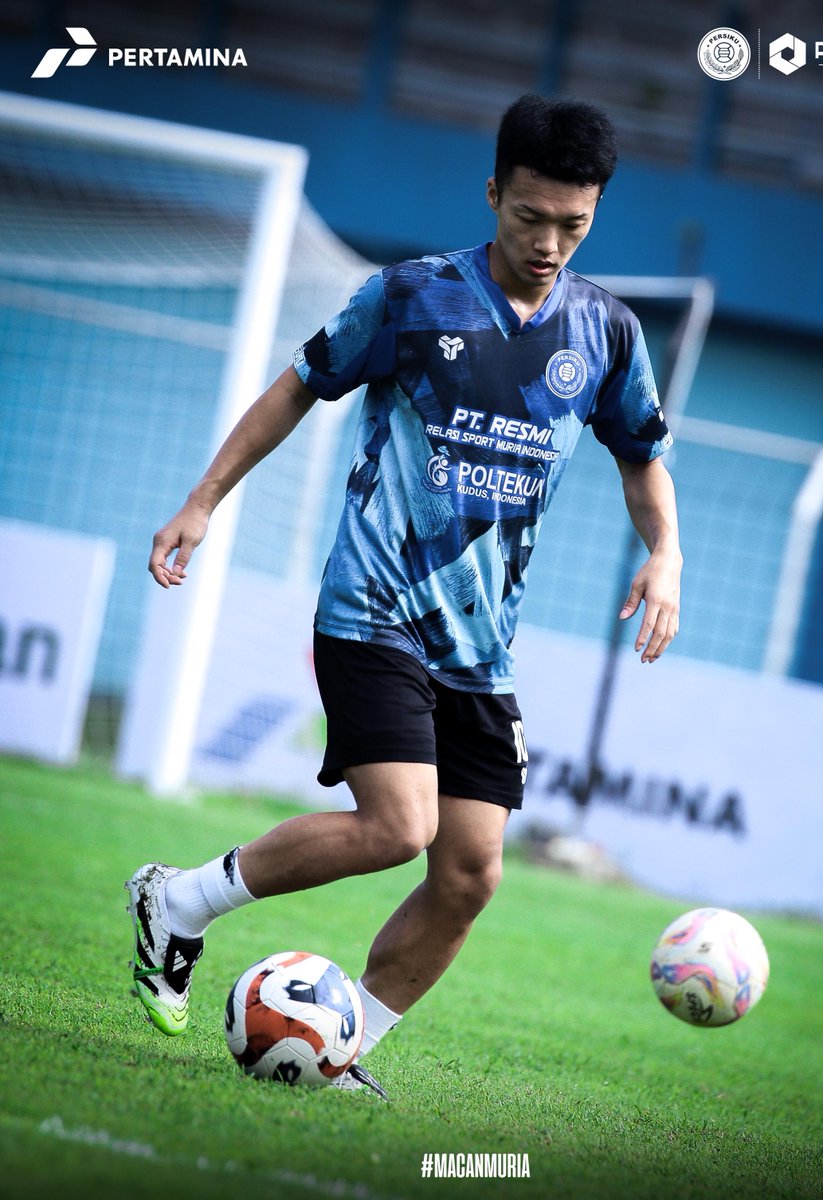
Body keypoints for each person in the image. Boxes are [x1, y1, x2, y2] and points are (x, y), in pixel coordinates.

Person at [126, 93, 682, 1098]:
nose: (550, 242)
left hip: (482, 647)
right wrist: (202, 501)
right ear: (493, 194)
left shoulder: (605, 332)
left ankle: (345, 1052)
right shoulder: (413, 296)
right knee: (400, 827)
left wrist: (666, 555)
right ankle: (180, 901)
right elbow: (299, 382)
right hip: (374, 609)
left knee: (471, 871)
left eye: (575, 224)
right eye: (529, 217)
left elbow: (643, 458)